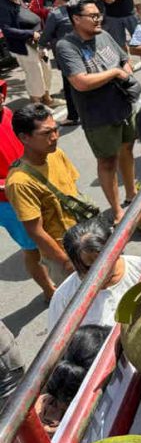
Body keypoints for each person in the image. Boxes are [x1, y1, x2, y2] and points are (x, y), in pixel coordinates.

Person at [56, 0, 138, 223]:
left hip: (123, 107)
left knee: (127, 149)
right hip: (98, 116)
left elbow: (124, 59)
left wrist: (126, 72)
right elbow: (80, 82)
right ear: (76, 19)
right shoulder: (67, 47)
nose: (98, 19)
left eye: (98, 14)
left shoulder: (104, 35)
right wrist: (115, 74)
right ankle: (117, 210)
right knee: (107, 161)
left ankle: (132, 194)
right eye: (92, 16)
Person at [6, 104, 78, 293]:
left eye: (56, 130)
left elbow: (73, 194)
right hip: (64, 254)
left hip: (83, 239)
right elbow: (35, 232)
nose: (55, 137)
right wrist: (66, 262)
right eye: (46, 133)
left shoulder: (56, 154)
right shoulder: (19, 183)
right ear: (24, 138)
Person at [47, 217, 141, 329]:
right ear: (75, 265)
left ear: (116, 249)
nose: (101, 273)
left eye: (106, 262)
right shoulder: (64, 298)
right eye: (89, 267)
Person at [0, 81, 48, 299]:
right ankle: (50, 291)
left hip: (36, 183)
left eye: (0, 91)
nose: (1, 97)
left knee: (50, 235)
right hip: (8, 201)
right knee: (32, 248)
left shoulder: (9, 113)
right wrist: (7, 184)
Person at [0, 0, 57, 107]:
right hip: (23, 45)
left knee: (46, 70)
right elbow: (7, 30)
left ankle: (47, 99)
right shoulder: (3, 5)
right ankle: (36, 105)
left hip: (36, 42)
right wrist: (30, 34)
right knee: (35, 75)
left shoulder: (17, 0)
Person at [39, 0, 79, 126]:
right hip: (83, 48)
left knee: (69, 87)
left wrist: (40, 46)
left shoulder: (55, 14)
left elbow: (46, 35)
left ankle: (73, 116)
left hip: (66, 54)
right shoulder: (79, 6)